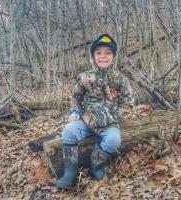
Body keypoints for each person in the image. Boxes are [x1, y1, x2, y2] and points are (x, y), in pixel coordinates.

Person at [56, 33, 133, 189]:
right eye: (98, 53)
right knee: (69, 131)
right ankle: (70, 172)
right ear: (93, 56)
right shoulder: (84, 77)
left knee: (113, 141)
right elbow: (75, 97)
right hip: (86, 121)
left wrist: (114, 116)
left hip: (109, 123)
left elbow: (128, 102)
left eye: (108, 53)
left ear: (113, 56)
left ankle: (96, 167)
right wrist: (75, 112)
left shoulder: (120, 79)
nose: (103, 56)